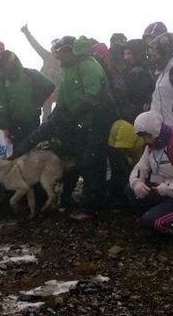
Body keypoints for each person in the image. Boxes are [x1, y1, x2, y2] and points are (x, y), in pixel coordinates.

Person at [51, 36, 116, 219]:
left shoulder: (88, 65)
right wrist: (55, 116)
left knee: (92, 161)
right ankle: (87, 199)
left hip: (98, 120)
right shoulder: (67, 69)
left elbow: (92, 96)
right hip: (81, 123)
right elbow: (62, 97)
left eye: (60, 52)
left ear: (70, 50)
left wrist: (70, 114)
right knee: (81, 159)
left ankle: (93, 205)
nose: (58, 56)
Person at [0, 50, 54, 145]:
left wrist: (38, 100)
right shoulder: (2, 81)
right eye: (1, 64)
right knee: (15, 150)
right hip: (13, 124)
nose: (4, 67)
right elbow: (2, 105)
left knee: (30, 148)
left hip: (32, 121)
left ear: (13, 61)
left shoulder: (31, 74)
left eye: (5, 63)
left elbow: (50, 86)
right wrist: (4, 127)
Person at [20, 25, 61, 120]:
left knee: (59, 112)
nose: (54, 50)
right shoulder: (47, 56)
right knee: (45, 113)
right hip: (45, 90)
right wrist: (27, 33)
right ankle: (45, 125)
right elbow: (36, 46)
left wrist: (55, 74)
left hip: (58, 91)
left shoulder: (64, 60)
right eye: (53, 48)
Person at [114, 39, 155, 122]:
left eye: (129, 53)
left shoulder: (148, 69)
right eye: (124, 54)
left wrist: (148, 100)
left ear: (138, 54)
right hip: (132, 112)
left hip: (141, 112)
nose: (126, 57)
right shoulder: (128, 70)